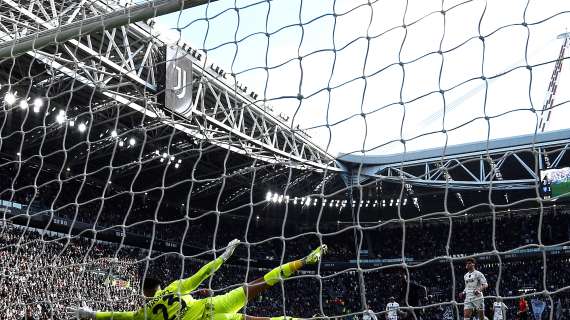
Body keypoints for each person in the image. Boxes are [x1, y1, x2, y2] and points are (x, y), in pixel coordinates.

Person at [68, 240, 327, 320]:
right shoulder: (171, 288)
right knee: (259, 283)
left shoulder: (142, 314)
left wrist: (91, 314)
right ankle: (304, 262)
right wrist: (224, 257)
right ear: (158, 287)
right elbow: (201, 273)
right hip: (216, 304)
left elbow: (116, 316)